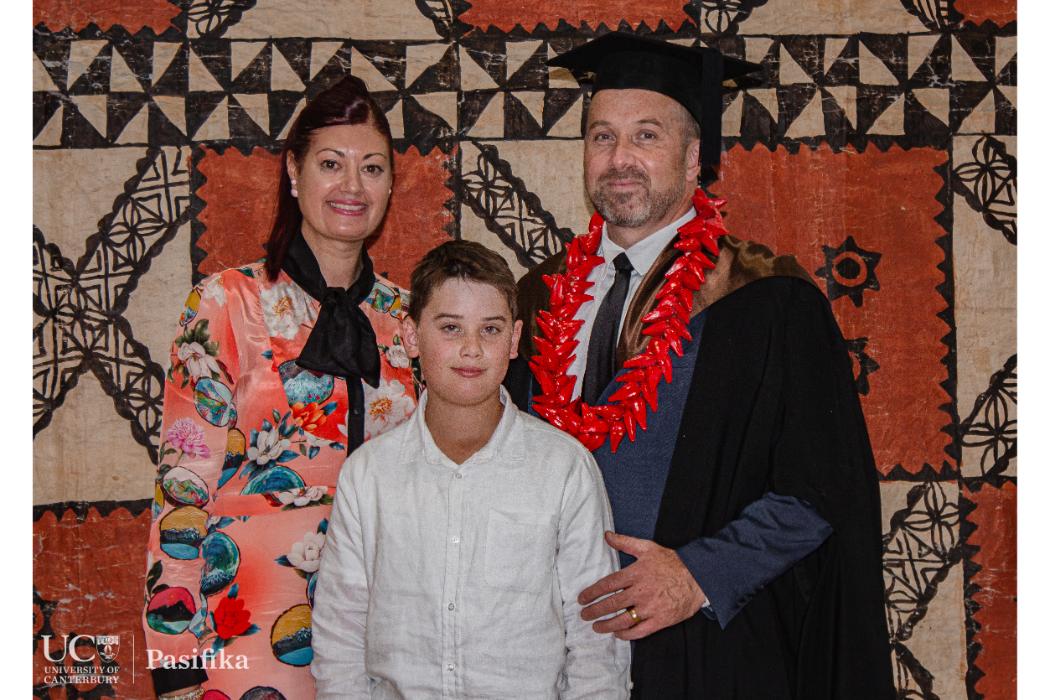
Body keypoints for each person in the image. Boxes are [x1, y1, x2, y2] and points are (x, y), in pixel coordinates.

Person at [505, 33, 895, 698]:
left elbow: (823, 487)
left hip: (712, 650)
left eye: (646, 136)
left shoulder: (768, 299)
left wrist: (695, 576)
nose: (620, 158)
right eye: (602, 137)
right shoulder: (535, 299)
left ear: (694, 160)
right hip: (554, 646)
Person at [142, 74, 419, 700]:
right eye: (331, 164)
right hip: (245, 630)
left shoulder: (410, 320)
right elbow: (180, 495)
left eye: (372, 168)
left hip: (388, 635)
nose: (353, 186)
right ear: (294, 172)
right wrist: (174, 661)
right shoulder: (227, 303)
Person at [310, 240, 631, 698]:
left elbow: (596, 638)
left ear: (515, 340)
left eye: (491, 330)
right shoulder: (369, 476)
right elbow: (340, 635)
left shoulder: (563, 469)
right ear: (411, 336)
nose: (471, 349)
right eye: (450, 328)